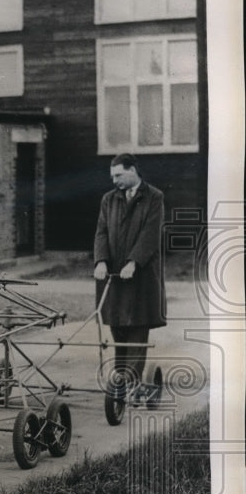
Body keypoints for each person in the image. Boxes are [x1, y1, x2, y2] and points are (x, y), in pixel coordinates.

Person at [93, 153, 166, 402]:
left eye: (119, 175)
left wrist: (134, 262)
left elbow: (150, 234)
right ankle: (120, 379)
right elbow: (101, 232)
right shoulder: (109, 200)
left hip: (140, 277)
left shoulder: (154, 197)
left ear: (133, 170)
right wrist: (101, 260)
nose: (115, 181)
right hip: (114, 275)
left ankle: (132, 383)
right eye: (112, 176)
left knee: (136, 327)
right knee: (118, 329)